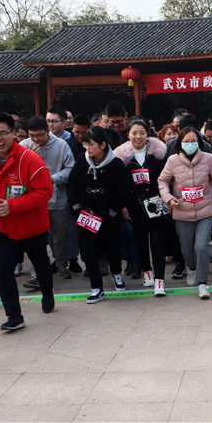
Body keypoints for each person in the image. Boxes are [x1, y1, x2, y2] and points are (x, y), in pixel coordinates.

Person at [0, 112, 54, 330]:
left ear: (13, 133)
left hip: (33, 227)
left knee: (41, 265)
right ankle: (14, 316)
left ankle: (48, 294)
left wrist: (13, 206)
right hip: (5, 227)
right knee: (2, 270)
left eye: (3, 133)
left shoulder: (31, 159)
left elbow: (44, 192)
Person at [159, 126, 212, 299]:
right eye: (186, 141)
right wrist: (168, 198)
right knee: (187, 249)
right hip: (182, 211)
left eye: (193, 141)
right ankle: (191, 267)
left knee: (202, 247)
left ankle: (202, 282)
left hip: (206, 210)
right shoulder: (172, 160)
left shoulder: (208, 159)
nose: (190, 144)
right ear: (180, 143)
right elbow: (163, 181)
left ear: (199, 142)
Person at [114, 119, 178, 296]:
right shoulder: (121, 158)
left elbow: (166, 180)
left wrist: (168, 200)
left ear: (147, 134)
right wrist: (123, 205)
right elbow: (120, 185)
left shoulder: (158, 154)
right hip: (134, 206)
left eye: (142, 132)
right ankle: (147, 271)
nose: (138, 136)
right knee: (140, 242)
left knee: (157, 243)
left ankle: (160, 280)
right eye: (134, 133)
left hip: (157, 204)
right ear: (128, 135)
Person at [69, 126, 131, 303]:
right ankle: (96, 287)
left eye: (91, 144)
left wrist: (113, 210)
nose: (87, 148)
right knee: (88, 251)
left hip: (109, 214)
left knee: (112, 247)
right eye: (85, 144)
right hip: (87, 214)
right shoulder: (81, 161)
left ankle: (116, 273)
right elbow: (72, 184)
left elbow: (123, 189)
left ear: (103, 144)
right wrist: (77, 207)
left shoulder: (116, 164)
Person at [20, 117, 75, 283]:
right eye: (32, 135)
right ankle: (36, 273)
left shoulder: (61, 145)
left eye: (39, 135)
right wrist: (30, 157)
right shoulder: (24, 146)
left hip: (57, 200)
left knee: (59, 238)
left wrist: (52, 179)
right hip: (33, 202)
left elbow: (70, 169)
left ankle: (61, 265)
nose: (36, 139)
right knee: (35, 240)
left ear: (48, 131)